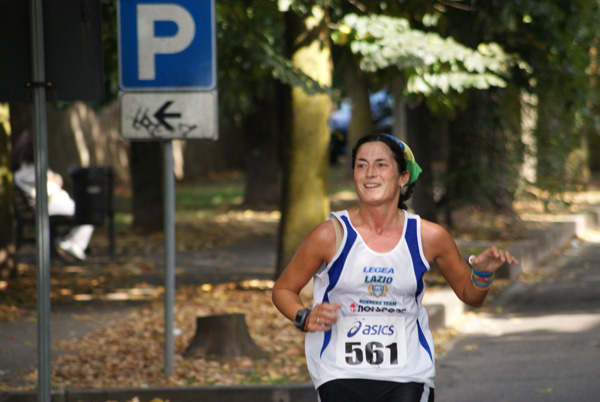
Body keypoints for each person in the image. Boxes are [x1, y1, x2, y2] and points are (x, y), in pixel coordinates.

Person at [272, 133, 518, 402]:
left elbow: (470, 295)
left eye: (381, 164)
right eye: (361, 165)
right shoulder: (330, 235)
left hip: (407, 376)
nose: (369, 174)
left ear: (402, 177)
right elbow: (284, 289)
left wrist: (482, 273)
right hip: (339, 373)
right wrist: (303, 317)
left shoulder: (428, 237)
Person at [12, 130, 94, 261]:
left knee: (86, 213)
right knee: (86, 214)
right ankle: (71, 243)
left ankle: (69, 242)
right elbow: (48, 187)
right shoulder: (28, 172)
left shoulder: (29, 170)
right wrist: (52, 181)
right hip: (48, 207)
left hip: (53, 204)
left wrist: (52, 180)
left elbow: (54, 180)